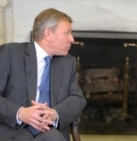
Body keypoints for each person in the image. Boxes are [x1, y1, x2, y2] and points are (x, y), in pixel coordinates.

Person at [0, 8, 86, 141]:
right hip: (13, 132)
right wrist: (20, 113)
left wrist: (55, 113)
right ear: (48, 34)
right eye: (67, 33)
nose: (72, 39)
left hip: (50, 133)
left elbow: (78, 99)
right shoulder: (10, 54)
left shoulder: (68, 62)